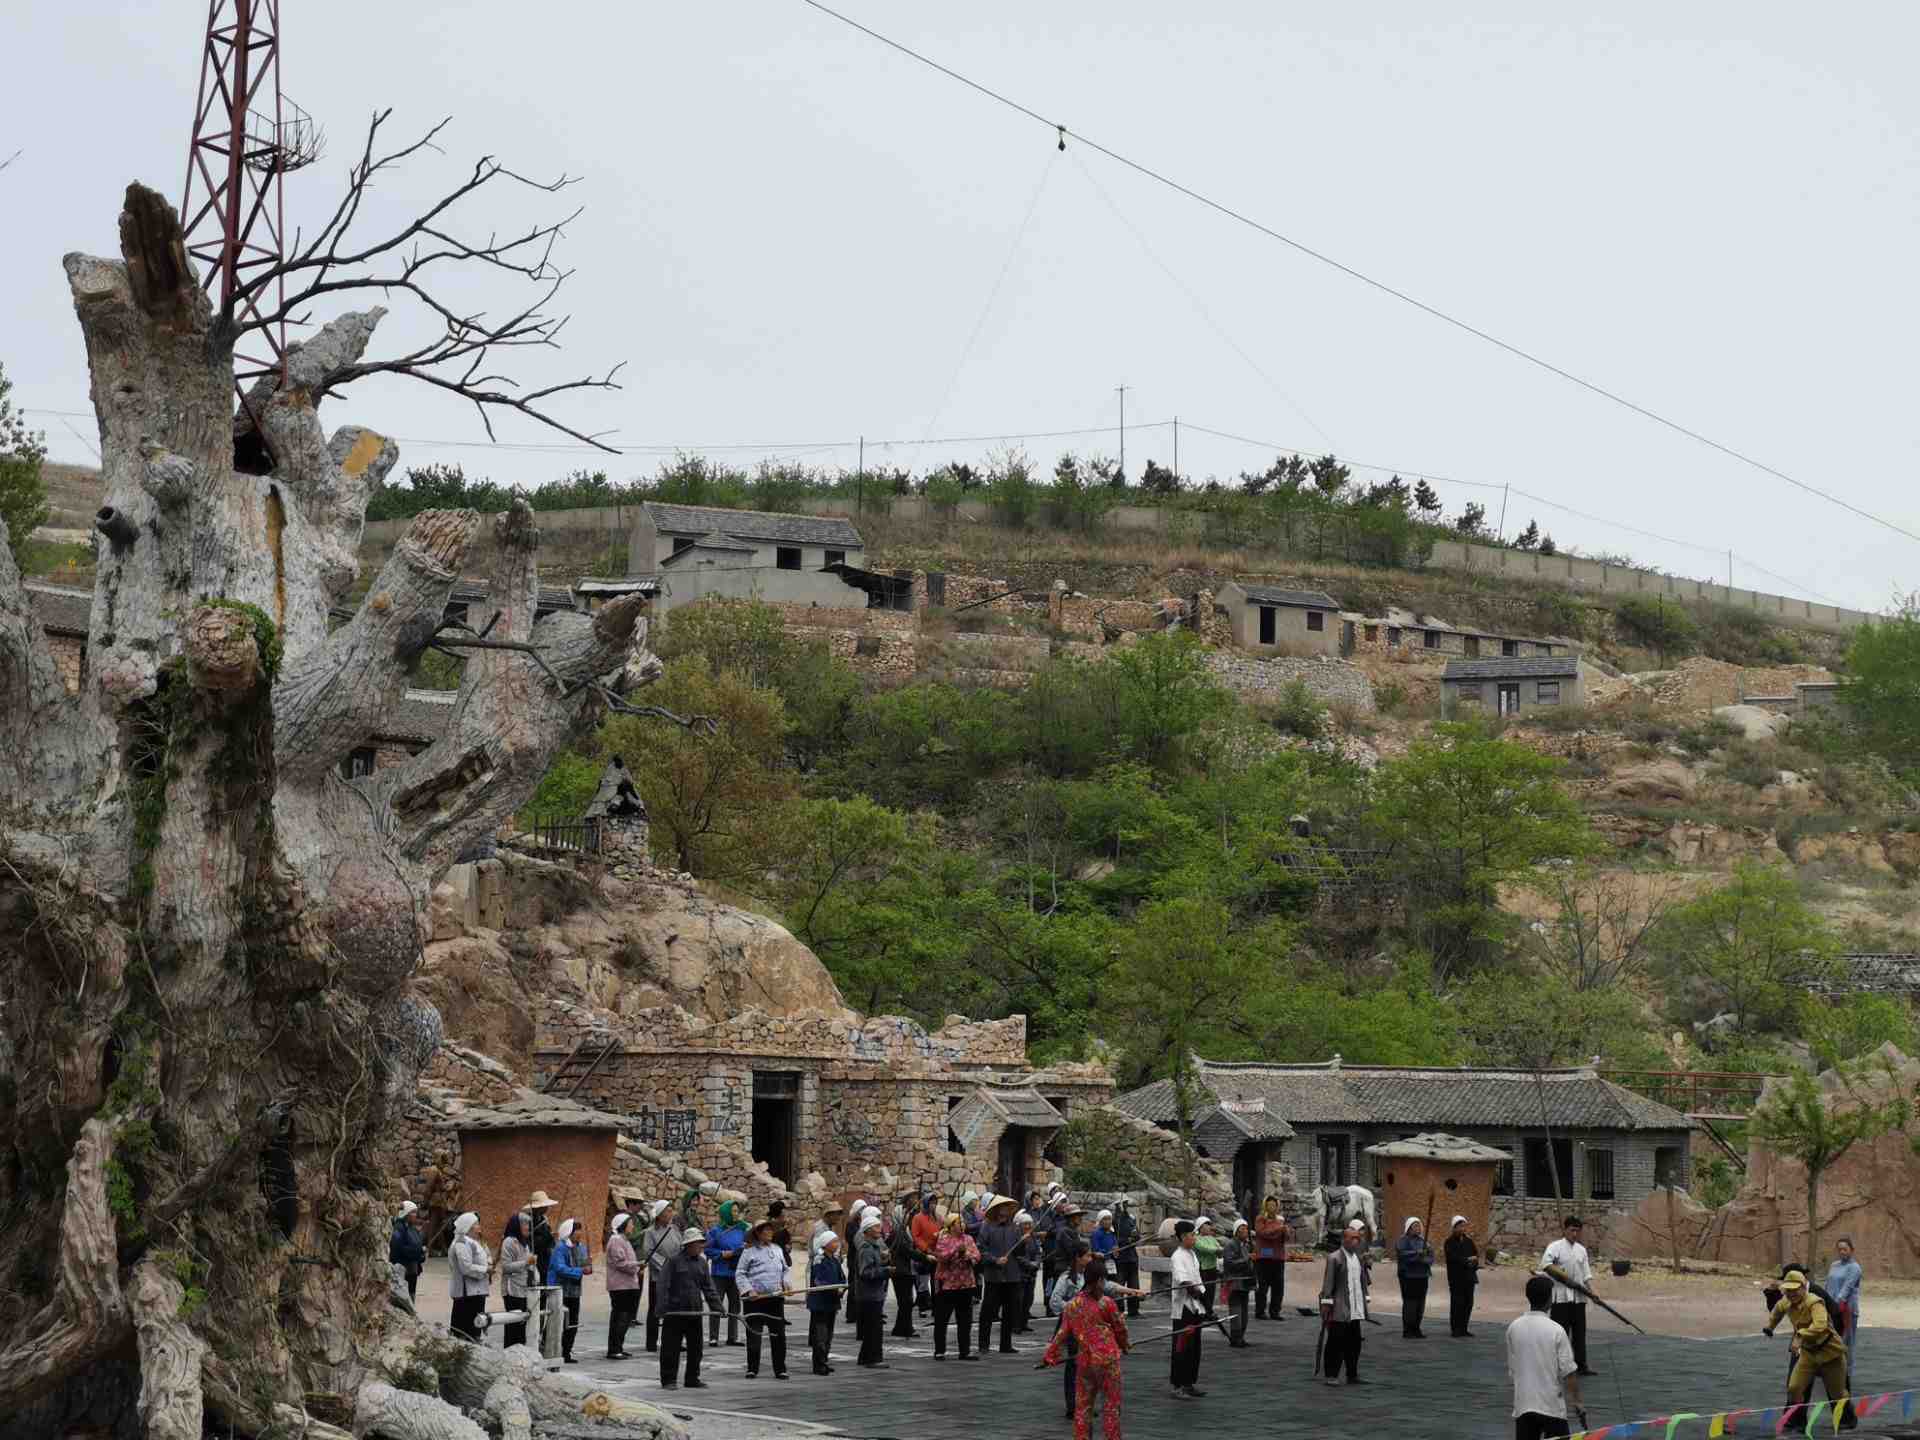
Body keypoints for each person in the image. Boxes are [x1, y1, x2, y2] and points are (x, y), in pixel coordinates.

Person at [1042, 1258, 1132, 1440]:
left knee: (1083, 1408)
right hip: (1108, 1362)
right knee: (1111, 1407)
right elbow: (1120, 1328)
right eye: (1104, 1280)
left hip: (1084, 1362)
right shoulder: (1107, 1303)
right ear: (1099, 1280)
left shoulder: (1073, 1305)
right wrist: (1124, 1345)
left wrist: (1049, 1355)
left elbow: (1062, 1333)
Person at [1766, 1269, 1852, 1425]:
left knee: (1838, 1394)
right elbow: (1777, 1312)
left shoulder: (1814, 1302)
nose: (1791, 1294)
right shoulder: (1785, 1301)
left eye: (1795, 1289)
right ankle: (1796, 1419)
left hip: (1830, 1352)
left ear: (1803, 1287)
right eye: (1788, 1290)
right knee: (1794, 1388)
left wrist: (1800, 1335)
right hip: (1808, 1354)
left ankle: (1846, 1422)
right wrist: (1770, 1327)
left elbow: (1820, 1325)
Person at [1508, 1274, 1583, 1440]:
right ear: (1550, 1299)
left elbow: (1513, 1370)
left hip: (1523, 1405)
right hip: (1552, 1407)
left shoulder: (1514, 1327)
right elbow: (1569, 1372)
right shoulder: (1556, 1330)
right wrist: (1577, 1402)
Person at [660, 1227, 721, 1390]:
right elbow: (663, 1285)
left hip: (695, 1311)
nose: (701, 1247)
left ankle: (692, 1378)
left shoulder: (702, 1263)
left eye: (702, 1244)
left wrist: (718, 1307)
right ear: (688, 1244)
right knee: (671, 1348)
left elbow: (708, 1287)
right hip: (675, 1312)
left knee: (696, 1348)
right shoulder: (673, 1261)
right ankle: (668, 1380)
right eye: (698, 1244)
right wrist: (662, 1308)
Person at [1541, 1216, 1598, 1377]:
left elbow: (1586, 1274)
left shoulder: (1581, 1250)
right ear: (1565, 1230)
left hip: (1579, 1298)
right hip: (1560, 1298)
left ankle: (1581, 1365)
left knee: (1579, 1334)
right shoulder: (1555, 1247)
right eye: (1572, 1230)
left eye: (1577, 1231)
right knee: (1560, 1334)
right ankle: (1558, 1366)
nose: (1574, 1234)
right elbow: (1546, 1265)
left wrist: (1593, 1292)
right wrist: (1564, 1277)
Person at [1318, 1218, 1371, 1386]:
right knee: (1335, 1342)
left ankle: (1352, 1374)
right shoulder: (1334, 1258)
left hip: (1355, 1308)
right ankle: (1331, 1374)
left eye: (1358, 1238)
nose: (1356, 1241)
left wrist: (1365, 1297)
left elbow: (1363, 1281)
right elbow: (1328, 1283)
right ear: (1344, 1239)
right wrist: (1327, 1304)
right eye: (1352, 1238)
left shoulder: (1358, 1258)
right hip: (1339, 1308)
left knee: (1354, 1343)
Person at [738, 1217, 791, 1379]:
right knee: (754, 1335)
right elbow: (740, 1273)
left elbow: (785, 1270)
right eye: (765, 1230)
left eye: (770, 1229)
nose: (769, 1232)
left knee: (778, 1335)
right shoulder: (749, 1252)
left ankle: (780, 1368)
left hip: (775, 1299)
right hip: (755, 1300)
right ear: (758, 1234)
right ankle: (752, 1368)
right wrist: (748, 1290)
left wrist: (786, 1284)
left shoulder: (777, 1249)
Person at [978, 1195, 1024, 1355]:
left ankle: (1006, 1344)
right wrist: (995, 1260)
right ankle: (983, 1344)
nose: (1005, 1210)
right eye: (1002, 1207)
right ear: (996, 1210)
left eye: (1007, 1207)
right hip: (994, 1276)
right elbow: (980, 1251)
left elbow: (1020, 1253)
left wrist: (1025, 1240)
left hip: (1012, 1275)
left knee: (1009, 1311)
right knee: (988, 1311)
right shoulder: (987, 1227)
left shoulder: (1015, 1228)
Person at [1050, 1249, 1094, 1417]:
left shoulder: (1087, 1276)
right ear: (1078, 1258)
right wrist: (1072, 1308)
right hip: (1072, 1325)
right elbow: (1055, 1301)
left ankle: (1085, 1403)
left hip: (1087, 1324)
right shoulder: (1066, 1278)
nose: (1090, 1258)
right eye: (1087, 1256)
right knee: (1074, 1363)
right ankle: (1072, 1405)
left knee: (1088, 1364)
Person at [933, 1211, 981, 1360]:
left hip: (966, 1284)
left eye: (963, 1222)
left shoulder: (968, 1239)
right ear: (951, 1225)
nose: (962, 1225)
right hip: (947, 1285)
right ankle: (939, 1350)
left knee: (965, 1321)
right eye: (959, 1222)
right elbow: (941, 1256)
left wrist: (967, 1255)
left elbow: (977, 1256)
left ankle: (964, 1351)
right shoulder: (944, 1239)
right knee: (942, 1319)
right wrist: (956, 1250)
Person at [1169, 1219, 1208, 1400]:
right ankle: (1177, 1385)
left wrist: (1205, 1302)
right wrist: (1195, 1292)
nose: (1195, 1238)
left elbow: (1198, 1281)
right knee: (1181, 1348)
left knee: (1194, 1348)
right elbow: (1184, 1281)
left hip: (1195, 1307)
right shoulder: (1177, 1256)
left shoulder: (1192, 1254)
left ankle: (1189, 1383)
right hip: (1183, 1308)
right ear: (1184, 1237)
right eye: (1193, 1235)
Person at [546, 1217, 591, 1364]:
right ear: (569, 1232)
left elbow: (586, 1265)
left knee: (572, 1322)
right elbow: (560, 1268)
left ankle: (566, 1352)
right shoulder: (560, 1248)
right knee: (558, 1322)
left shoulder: (581, 1247)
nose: (579, 1233)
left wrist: (588, 1267)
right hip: (560, 1291)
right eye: (576, 1230)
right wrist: (579, 1270)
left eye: (580, 1230)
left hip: (575, 1291)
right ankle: (553, 1350)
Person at [642, 1200, 682, 1354]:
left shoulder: (674, 1229)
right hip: (658, 1277)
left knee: (674, 1309)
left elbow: (681, 1246)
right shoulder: (650, 1232)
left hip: (676, 1276)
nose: (670, 1213)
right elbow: (649, 1253)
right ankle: (651, 1342)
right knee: (655, 1310)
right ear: (659, 1215)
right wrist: (666, 1267)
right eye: (667, 1211)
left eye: (671, 1210)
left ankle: (672, 1340)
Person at [854, 1209, 892, 1368]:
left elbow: (874, 1266)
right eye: (876, 1227)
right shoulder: (866, 1249)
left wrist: (884, 1261)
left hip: (873, 1293)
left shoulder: (874, 1247)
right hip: (869, 1294)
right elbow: (866, 1272)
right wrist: (885, 1271)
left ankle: (864, 1357)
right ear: (868, 1230)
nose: (880, 1230)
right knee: (874, 1329)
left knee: (871, 1328)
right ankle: (873, 1359)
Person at [707, 1201, 747, 1347]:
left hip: (736, 1273)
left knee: (735, 1305)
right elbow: (707, 1250)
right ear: (726, 1213)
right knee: (716, 1304)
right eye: (733, 1211)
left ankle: (733, 1336)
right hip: (719, 1273)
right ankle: (713, 1337)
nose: (736, 1214)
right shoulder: (716, 1231)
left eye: (737, 1211)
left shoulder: (742, 1229)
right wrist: (723, 1253)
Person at [448, 1210, 490, 1340]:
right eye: (476, 1224)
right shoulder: (461, 1243)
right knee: (465, 1331)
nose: (479, 1227)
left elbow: (484, 1257)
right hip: (466, 1294)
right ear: (468, 1226)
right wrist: (485, 1270)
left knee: (474, 1329)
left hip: (475, 1292)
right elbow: (466, 1268)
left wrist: (488, 1266)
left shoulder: (472, 1241)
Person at [606, 1212, 642, 1360]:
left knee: (625, 1319)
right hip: (620, 1287)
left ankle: (618, 1347)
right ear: (623, 1225)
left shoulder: (624, 1240)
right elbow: (620, 1263)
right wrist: (637, 1265)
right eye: (630, 1223)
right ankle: (614, 1349)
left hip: (628, 1285)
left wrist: (638, 1266)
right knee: (620, 1318)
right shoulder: (616, 1240)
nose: (632, 1226)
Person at [809, 1231, 846, 1375]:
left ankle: (824, 1360)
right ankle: (818, 1364)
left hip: (832, 1302)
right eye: (834, 1241)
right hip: (820, 1303)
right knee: (820, 1335)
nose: (837, 1244)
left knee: (829, 1334)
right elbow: (819, 1281)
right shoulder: (819, 1260)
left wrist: (842, 1287)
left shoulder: (835, 1260)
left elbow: (841, 1277)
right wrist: (833, 1289)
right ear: (826, 1244)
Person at [1826, 1237, 1863, 1381]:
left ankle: (1847, 1374)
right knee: (1831, 1340)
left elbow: (1847, 1288)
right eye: (1839, 1249)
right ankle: (1831, 1370)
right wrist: (1824, 1300)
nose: (1842, 1252)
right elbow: (1828, 1284)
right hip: (1832, 1308)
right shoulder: (1834, 1265)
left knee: (1847, 1341)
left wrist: (1838, 1303)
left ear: (1851, 1250)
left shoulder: (1855, 1268)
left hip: (1847, 1309)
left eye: (1845, 1249)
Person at [500, 1212, 536, 1349]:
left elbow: (530, 1266)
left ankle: (520, 1353)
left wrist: (534, 1272)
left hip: (523, 1289)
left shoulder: (525, 1244)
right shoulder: (509, 1242)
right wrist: (526, 1262)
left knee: (521, 1326)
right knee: (512, 1326)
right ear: (517, 1225)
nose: (528, 1227)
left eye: (528, 1224)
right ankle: (509, 1353)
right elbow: (506, 1267)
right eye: (525, 1224)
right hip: (512, 1290)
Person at [1396, 1217, 1433, 1339]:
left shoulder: (1424, 1242)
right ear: (1409, 1228)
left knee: (1420, 1303)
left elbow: (1430, 1258)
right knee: (1410, 1303)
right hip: (1408, 1277)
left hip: (1422, 1276)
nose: (1418, 1228)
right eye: (1415, 1226)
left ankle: (1417, 1328)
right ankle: (1408, 1330)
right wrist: (1417, 1254)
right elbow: (1402, 1254)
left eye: (1419, 1226)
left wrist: (1424, 1258)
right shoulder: (1402, 1240)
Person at [1253, 1197, 1289, 1322]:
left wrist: (1285, 1232)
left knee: (1278, 1286)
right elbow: (1264, 1233)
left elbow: (1284, 1238)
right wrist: (1279, 1230)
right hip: (1264, 1255)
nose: (1272, 1207)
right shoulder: (1260, 1219)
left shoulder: (1280, 1220)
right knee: (1262, 1285)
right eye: (1269, 1205)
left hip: (1278, 1256)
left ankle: (1275, 1312)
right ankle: (1260, 1311)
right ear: (1265, 1206)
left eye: (1274, 1205)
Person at [888, 1202, 921, 1338]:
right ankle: (906, 1328)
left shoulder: (903, 1231)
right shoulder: (897, 1233)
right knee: (905, 1301)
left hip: (905, 1269)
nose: (908, 1217)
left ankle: (901, 1328)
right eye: (905, 1215)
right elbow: (907, 1251)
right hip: (900, 1271)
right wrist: (924, 1257)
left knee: (906, 1301)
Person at [1444, 1214, 1480, 1338]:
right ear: (1454, 1228)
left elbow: (1476, 1256)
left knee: (1468, 1304)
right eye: (1459, 1226)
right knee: (1457, 1304)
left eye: (1463, 1226)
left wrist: (1473, 1262)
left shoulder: (1469, 1241)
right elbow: (1453, 1258)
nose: (1462, 1229)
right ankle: (1455, 1329)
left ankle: (1464, 1328)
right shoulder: (1449, 1242)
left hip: (1469, 1278)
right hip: (1456, 1278)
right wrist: (1467, 1260)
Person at [1221, 1219, 1255, 1347]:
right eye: (1242, 1229)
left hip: (1244, 1283)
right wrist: (1247, 1259)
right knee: (1236, 1312)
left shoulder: (1245, 1245)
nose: (1245, 1232)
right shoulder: (1230, 1245)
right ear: (1236, 1231)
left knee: (1244, 1312)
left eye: (1246, 1229)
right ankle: (1235, 1338)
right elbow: (1229, 1264)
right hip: (1234, 1283)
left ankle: (1241, 1336)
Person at [911, 1191, 941, 1316]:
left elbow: (941, 1230)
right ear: (926, 1204)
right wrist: (926, 1249)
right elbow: (916, 1236)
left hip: (936, 1252)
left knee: (936, 1282)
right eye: (931, 1203)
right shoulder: (917, 1218)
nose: (933, 1205)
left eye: (935, 1203)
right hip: (923, 1254)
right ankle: (922, 1308)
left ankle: (936, 1307)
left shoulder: (937, 1217)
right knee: (922, 1282)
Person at [390, 1202, 426, 1301]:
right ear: (406, 1213)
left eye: (416, 1212)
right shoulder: (399, 1228)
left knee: (411, 1295)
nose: (415, 1215)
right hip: (403, 1270)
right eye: (413, 1212)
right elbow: (397, 1248)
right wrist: (417, 1252)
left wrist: (421, 1254)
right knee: (404, 1297)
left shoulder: (411, 1228)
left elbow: (417, 1244)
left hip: (412, 1270)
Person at [1016, 1210, 1044, 1333]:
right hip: (1020, 1273)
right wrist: (1029, 1264)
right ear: (1019, 1225)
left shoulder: (1032, 1237)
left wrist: (1036, 1263)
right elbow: (1017, 1255)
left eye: (1029, 1224)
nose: (1027, 1226)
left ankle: (1024, 1322)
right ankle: (1016, 1324)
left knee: (1029, 1299)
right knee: (1019, 1300)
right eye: (1024, 1224)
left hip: (1031, 1273)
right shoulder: (1017, 1237)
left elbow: (1038, 1252)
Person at [1113, 1200, 1142, 1318]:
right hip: (1121, 1258)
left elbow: (1137, 1235)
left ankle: (1133, 1310)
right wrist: (1125, 1241)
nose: (1125, 1206)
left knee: (1134, 1284)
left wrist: (1135, 1237)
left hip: (1132, 1257)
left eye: (1126, 1203)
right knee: (1119, 1285)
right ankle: (1118, 1310)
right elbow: (1114, 1239)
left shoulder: (1131, 1218)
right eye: (1122, 1204)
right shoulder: (1114, 1221)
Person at [527, 1190, 558, 1288]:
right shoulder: (528, 1221)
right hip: (534, 1259)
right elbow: (531, 1242)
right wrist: (548, 1237)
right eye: (545, 1206)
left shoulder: (544, 1220)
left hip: (545, 1258)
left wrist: (552, 1239)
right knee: (535, 1286)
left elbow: (548, 1238)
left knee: (545, 1286)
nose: (547, 1208)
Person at [1193, 1217, 1222, 1311]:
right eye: (1207, 1224)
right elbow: (1205, 1249)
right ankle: (1202, 1311)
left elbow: (1219, 1248)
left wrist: (1218, 1250)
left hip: (1212, 1268)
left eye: (1210, 1224)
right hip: (1202, 1269)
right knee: (1203, 1291)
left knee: (1211, 1291)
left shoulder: (1212, 1239)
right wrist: (1217, 1250)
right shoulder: (1196, 1239)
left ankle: (1209, 1311)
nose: (1209, 1227)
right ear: (1200, 1227)